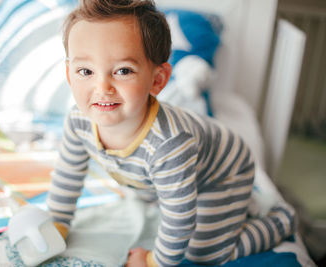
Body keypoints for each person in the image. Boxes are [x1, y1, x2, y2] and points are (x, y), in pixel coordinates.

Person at [46, 0, 296, 266]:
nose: (102, 86)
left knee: (205, 253)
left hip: (223, 172)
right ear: (70, 75)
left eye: (123, 71)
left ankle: (279, 220)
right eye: (86, 71)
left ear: (158, 80)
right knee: (158, 193)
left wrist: (155, 261)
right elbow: (67, 175)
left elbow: (179, 220)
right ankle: (239, 207)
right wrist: (57, 225)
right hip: (178, 174)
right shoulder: (78, 121)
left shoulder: (169, 145)